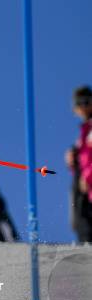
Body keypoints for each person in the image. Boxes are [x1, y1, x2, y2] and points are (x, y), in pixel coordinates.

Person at [65, 85, 92, 243]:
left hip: (87, 184)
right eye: (78, 103)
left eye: (86, 101)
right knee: (81, 221)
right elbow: (84, 157)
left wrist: (87, 178)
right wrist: (72, 157)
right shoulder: (85, 130)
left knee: (84, 221)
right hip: (83, 185)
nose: (82, 106)